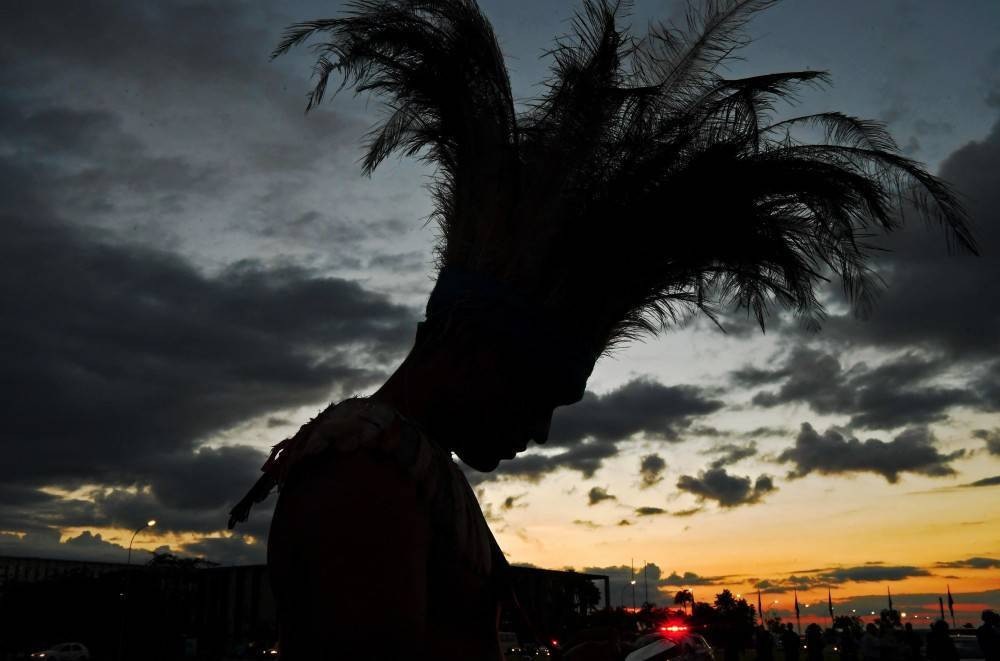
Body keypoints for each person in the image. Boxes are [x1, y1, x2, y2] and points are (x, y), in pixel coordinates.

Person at [226, 0, 974, 658]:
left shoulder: (406, 468)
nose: (540, 429)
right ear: (472, 351)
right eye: (540, 394)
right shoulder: (366, 476)